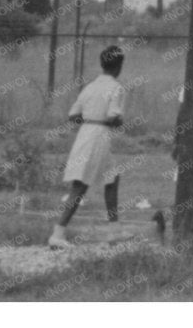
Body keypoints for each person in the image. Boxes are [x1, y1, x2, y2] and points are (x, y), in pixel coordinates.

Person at [49, 45, 125, 248]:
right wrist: (117, 122)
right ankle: (58, 234)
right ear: (119, 66)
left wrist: (90, 118)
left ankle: (113, 231)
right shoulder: (115, 87)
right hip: (99, 135)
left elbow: (73, 115)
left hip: (85, 133)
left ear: (102, 64)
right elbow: (113, 115)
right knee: (80, 185)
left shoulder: (90, 86)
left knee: (112, 178)